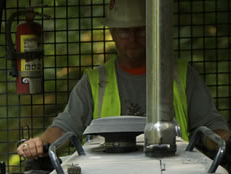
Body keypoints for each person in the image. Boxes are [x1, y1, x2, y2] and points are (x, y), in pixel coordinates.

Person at [17, 0, 230, 161]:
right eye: (125, 31)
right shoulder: (94, 81)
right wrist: (41, 144)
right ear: (113, 32)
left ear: (154, 29)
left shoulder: (183, 76)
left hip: (171, 172)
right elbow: (65, 127)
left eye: (140, 30)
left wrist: (222, 139)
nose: (133, 39)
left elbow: (212, 128)